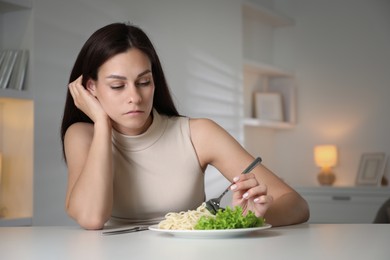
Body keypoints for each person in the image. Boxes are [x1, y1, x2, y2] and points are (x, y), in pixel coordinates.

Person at [60, 22, 309, 230]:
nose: (134, 97)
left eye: (144, 82)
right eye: (117, 86)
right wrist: (102, 124)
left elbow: (295, 204)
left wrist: (248, 218)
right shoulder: (82, 136)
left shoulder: (197, 133)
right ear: (90, 88)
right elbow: (91, 218)